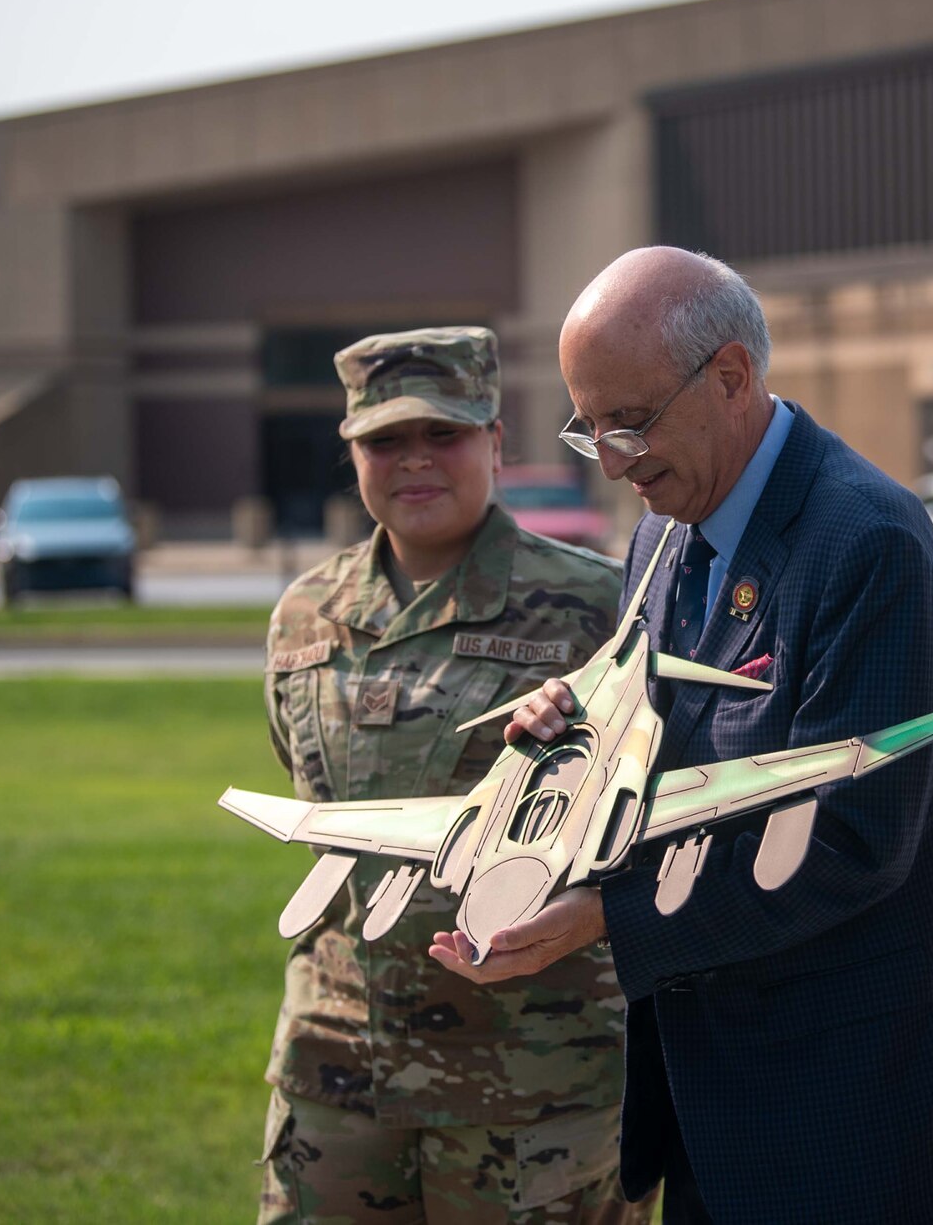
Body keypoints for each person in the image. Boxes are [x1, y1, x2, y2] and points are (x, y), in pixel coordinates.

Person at [427, 248, 933, 1224]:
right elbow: (673, 749)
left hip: (842, 1107)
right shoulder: (663, 532)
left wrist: (604, 918)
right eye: (591, 431)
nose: (616, 459)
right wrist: (567, 736)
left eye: (629, 421)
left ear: (729, 376)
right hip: (710, 1091)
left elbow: (850, 841)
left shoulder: (866, 541)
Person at [254, 327, 648, 1225]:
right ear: (352, 452)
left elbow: (650, 831)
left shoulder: (600, 606)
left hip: (535, 1087)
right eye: (386, 440)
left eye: (445, 434)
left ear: (497, 442)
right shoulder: (305, 614)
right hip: (338, 1069)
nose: (415, 461)